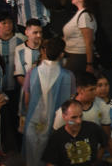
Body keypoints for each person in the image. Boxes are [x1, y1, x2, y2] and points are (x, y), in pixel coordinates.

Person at [23, 38, 77, 166]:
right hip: (57, 125)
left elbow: (26, 100)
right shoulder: (69, 76)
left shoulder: (32, 72)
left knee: (33, 158)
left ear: (45, 51)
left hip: (34, 123)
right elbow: (71, 102)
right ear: (61, 54)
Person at [42, 99, 107, 166]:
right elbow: (51, 163)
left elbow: (104, 143)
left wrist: (96, 161)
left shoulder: (93, 128)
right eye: (74, 117)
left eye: (80, 116)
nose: (79, 121)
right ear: (64, 117)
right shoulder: (57, 137)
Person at [62, 0, 97, 76]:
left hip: (79, 57)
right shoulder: (80, 13)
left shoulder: (84, 16)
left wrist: (89, 64)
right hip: (73, 55)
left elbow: (88, 42)